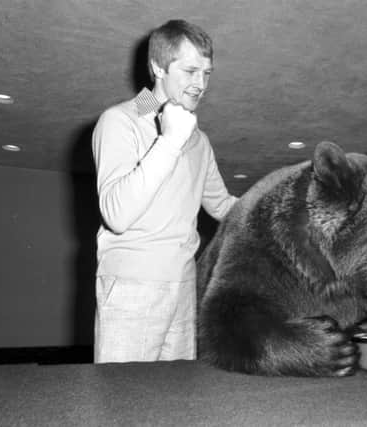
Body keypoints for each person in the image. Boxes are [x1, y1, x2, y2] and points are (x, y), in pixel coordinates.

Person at [91, 20, 238, 363]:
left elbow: (224, 206)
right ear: (158, 66)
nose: (201, 84)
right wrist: (169, 140)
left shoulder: (200, 141)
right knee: (124, 403)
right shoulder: (120, 120)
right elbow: (117, 214)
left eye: (207, 73)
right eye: (189, 71)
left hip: (184, 288)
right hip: (131, 286)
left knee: (177, 400)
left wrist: (281, 205)